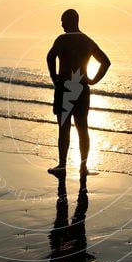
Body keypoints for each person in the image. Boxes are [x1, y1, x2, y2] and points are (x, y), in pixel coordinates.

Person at [46, 9, 111, 176]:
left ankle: (62, 165)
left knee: (64, 128)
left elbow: (50, 57)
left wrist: (54, 77)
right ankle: (83, 167)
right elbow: (106, 62)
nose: (61, 25)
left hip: (65, 88)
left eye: (63, 21)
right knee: (83, 128)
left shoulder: (61, 40)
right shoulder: (87, 41)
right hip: (82, 89)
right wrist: (93, 80)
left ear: (70, 21)